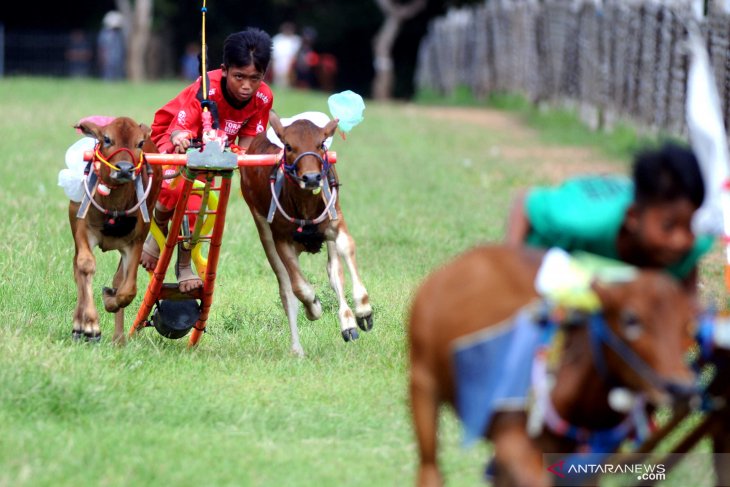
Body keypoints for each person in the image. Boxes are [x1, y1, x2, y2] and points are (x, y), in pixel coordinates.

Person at [142, 27, 274, 293]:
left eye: (254, 78)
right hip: (174, 136)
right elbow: (178, 129)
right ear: (224, 70)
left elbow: (247, 141)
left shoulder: (263, 98)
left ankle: (183, 262)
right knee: (175, 188)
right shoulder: (206, 88)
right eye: (239, 77)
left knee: (197, 202)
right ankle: (158, 231)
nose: (246, 86)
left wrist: (243, 159)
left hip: (214, 148)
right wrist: (180, 141)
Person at [505, 142, 713, 296]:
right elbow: (526, 202)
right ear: (633, 217)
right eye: (668, 226)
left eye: (690, 227)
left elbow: (687, 288)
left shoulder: (693, 242)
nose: (680, 241)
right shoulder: (583, 221)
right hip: (554, 261)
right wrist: (510, 272)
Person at [97, 11, 126, 81]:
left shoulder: (119, 34)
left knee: (118, 75)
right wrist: (102, 58)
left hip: (118, 59)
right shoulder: (104, 33)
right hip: (108, 59)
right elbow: (102, 47)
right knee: (108, 74)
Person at [271, 22, 301, 88]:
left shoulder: (296, 39)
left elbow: (296, 53)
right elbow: (274, 53)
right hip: (278, 60)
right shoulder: (277, 38)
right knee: (278, 79)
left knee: (287, 80)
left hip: (290, 61)